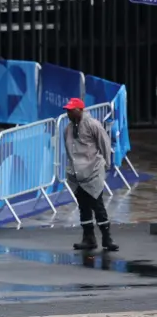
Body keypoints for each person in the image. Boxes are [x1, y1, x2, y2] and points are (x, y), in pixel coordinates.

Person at [63, 97, 119, 252]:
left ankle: (107, 238)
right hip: (77, 174)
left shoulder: (93, 125)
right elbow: (69, 150)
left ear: (80, 110)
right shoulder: (67, 129)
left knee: (97, 205)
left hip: (92, 171)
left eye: (71, 110)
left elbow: (105, 144)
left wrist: (106, 164)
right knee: (83, 207)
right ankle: (88, 238)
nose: (68, 112)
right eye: (67, 110)